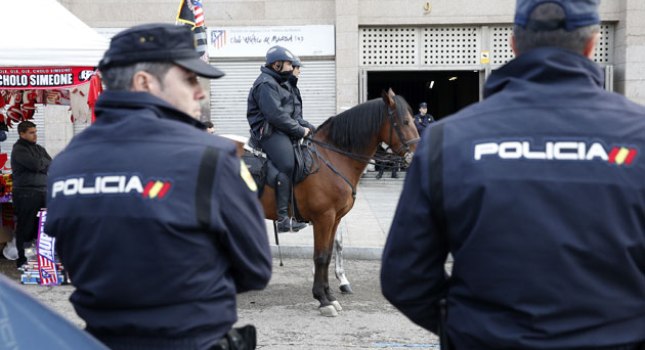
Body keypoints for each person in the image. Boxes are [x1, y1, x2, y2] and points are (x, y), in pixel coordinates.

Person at [381, 0, 645, 349]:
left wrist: (467, 328)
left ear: (514, 44)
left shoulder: (449, 140)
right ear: (593, 43)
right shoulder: (637, 135)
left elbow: (404, 277)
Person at [45, 23, 272, 350]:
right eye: (189, 78)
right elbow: (255, 270)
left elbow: (75, 262)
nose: (200, 92)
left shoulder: (65, 164)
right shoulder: (212, 158)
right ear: (144, 82)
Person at [247, 45, 312, 233]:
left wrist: (311, 129)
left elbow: (291, 114)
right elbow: (276, 116)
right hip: (268, 132)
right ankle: (283, 218)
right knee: (287, 164)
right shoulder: (266, 84)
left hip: (280, 129)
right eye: (289, 64)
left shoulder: (279, 82)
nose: (292, 68)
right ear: (276, 65)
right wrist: (300, 131)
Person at [11, 120, 51, 268]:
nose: (35, 135)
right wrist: (42, 163)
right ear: (22, 134)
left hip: (42, 191)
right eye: (31, 133)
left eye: (35, 132)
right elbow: (36, 165)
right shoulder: (19, 149)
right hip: (25, 193)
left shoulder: (39, 149)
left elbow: (51, 163)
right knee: (26, 226)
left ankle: (40, 259)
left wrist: (42, 163)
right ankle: (23, 260)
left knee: (40, 227)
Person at [289, 56, 316, 133]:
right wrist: (312, 128)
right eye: (297, 68)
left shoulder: (293, 88)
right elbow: (294, 117)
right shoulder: (286, 88)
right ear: (291, 69)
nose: (299, 71)